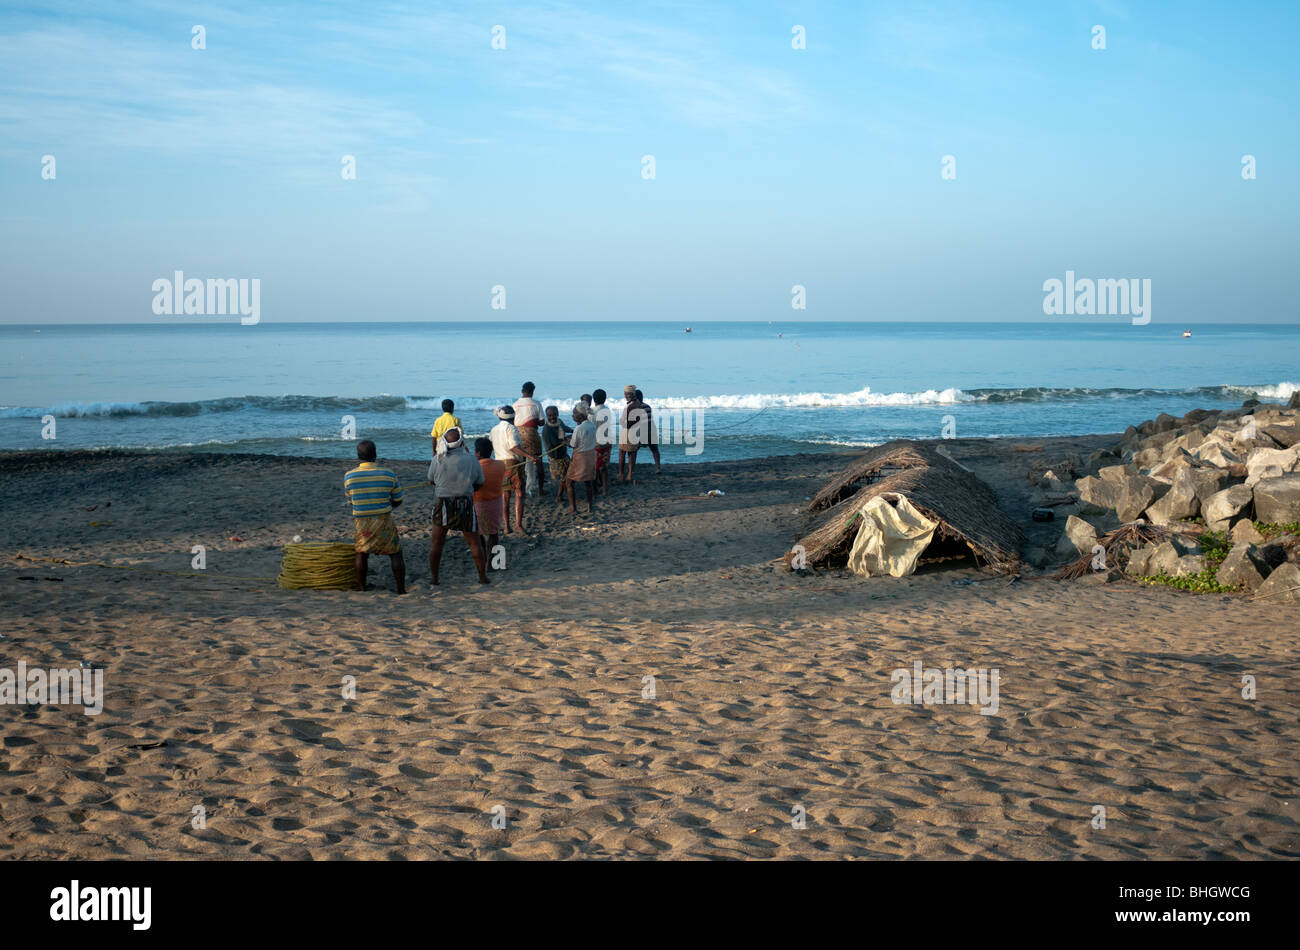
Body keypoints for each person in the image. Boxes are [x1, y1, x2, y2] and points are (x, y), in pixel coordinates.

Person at [343, 440, 406, 593]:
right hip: (384, 521)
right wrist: (385, 506)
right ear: (375, 455)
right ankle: (401, 590)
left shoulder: (349, 477)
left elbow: (352, 501)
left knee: (362, 553)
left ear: (358, 456)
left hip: (362, 523)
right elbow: (398, 500)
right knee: (395, 553)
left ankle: (361, 587)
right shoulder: (388, 474)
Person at [427, 428, 488, 585]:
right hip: (465, 502)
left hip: (443, 503)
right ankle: (482, 577)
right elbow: (480, 482)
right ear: (461, 442)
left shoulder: (437, 459)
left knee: (436, 543)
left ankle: (434, 579)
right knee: (474, 543)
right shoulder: (472, 460)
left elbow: (431, 480)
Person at [490, 405, 531, 533]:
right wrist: (530, 456)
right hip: (512, 463)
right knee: (519, 494)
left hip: (499, 464)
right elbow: (513, 447)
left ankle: (507, 526)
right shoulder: (511, 428)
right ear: (513, 417)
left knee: (505, 495)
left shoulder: (494, 430)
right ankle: (518, 525)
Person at [473, 437, 505, 568]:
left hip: (479, 502)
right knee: (493, 533)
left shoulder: (475, 467)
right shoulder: (501, 465)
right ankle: (492, 563)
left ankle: (484, 559)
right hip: (496, 502)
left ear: (478, 453)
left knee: (479, 533)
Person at [564, 403, 597, 515]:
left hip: (580, 457)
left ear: (581, 416)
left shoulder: (578, 428)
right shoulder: (592, 425)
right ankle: (590, 506)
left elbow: (573, 444)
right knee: (588, 482)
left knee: (569, 482)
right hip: (591, 456)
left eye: (574, 413)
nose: (573, 416)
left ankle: (573, 508)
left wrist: (565, 442)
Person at [513, 382, 545, 496]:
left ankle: (521, 487)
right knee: (538, 460)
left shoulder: (515, 404)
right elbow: (542, 422)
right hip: (532, 435)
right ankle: (540, 490)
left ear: (522, 391)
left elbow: (513, 422)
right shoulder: (536, 404)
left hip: (518, 435)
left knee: (521, 462)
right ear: (532, 391)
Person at [540, 405, 573, 501]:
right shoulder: (546, 429)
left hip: (563, 453)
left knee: (566, 476)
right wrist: (566, 441)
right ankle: (564, 496)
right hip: (555, 456)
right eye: (549, 415)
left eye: (554, 415)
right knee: (564, 478)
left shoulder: (559, 421)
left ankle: (559, 496)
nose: (552, 417)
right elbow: (553, 444)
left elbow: (564, 427)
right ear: (546, 416)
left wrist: (572, 431)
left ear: (557, 414)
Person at [590, 388, 613, 495]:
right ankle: (604, 488)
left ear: (594, 399)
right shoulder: (607, 410)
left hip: (596, 443)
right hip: (607, 441)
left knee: (595, 467)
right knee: (604, 467)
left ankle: (595, 489)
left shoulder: (591, 413)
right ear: (605, 399)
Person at [635, 389, 662, 475]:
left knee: (634, 450)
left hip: (642, 431)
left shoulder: (636, 408)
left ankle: (632, 468)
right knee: (654, 450)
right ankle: (658, 467)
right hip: (651, 429)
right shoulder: (648, 406)